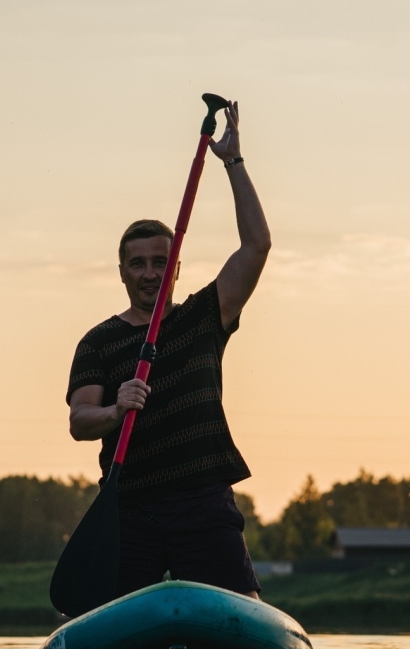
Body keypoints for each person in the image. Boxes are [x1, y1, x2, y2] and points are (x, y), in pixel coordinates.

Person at [66, 101, 268, 599]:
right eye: (138, 264)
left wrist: (232, 163)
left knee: (237, 611)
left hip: (204, 500)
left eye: (161, 261)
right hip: (130, 505)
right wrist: (117, 409)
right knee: (111, 620)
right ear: (121, 271)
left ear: (175, 268)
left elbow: (256, 246)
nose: (150, 273)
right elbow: (79, 421)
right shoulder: (98, 341)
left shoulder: (204, 316)